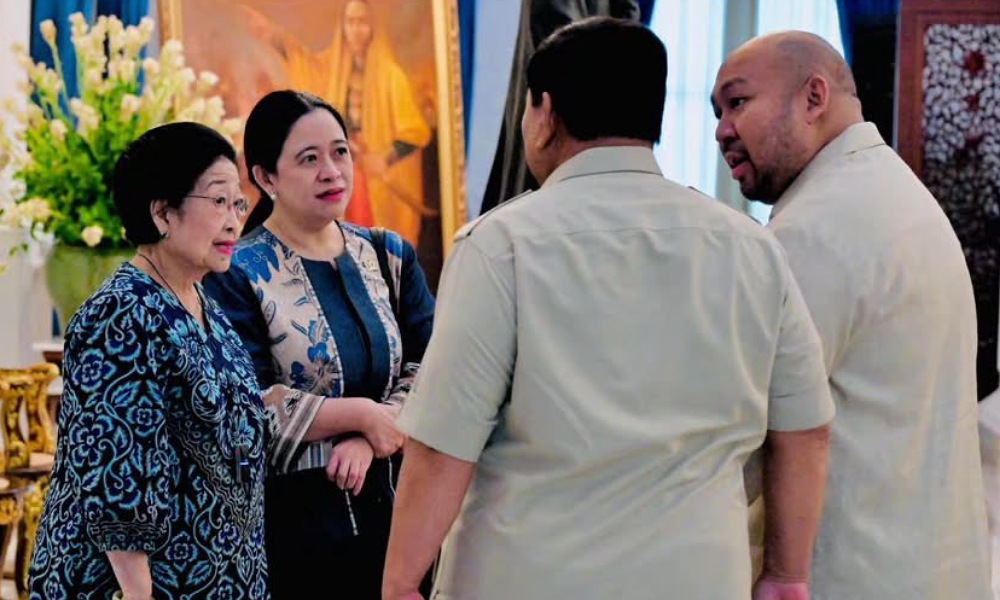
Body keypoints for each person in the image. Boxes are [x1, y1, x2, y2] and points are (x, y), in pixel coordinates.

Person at [383, 17, 835, 600]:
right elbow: (805, 428)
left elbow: (442, 443)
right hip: (698, 578)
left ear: (544, 113)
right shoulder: (751, 247)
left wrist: (400, 582)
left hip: (532, 578)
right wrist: (786, 573)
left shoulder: (503, 245)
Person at [712, 31, 993, 599]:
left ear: (814, 97)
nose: (722, 131)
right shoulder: (895, 192)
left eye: (737, 102)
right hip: (935, 567)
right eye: (717, 113)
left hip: (853, 573)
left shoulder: (816, 228)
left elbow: (745, 430)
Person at [203, 90, 435, 599]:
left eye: (340, 152)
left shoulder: (388, 255)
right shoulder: (235, 273)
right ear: (265, 177)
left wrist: (378, 431)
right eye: (309, 159)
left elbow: (436, 363)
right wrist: (358, 414)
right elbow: (242, 406)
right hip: (297, 537)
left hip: (405, 519)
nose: (331, 171)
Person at [28, 122, 269, 599]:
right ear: (162, 212)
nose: (233, 221)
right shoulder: (121, 314)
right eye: (218, 201)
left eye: (238, 204)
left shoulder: (205, 305)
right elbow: (118, 482)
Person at [241, 0, 432, 242]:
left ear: (373, 27)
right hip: (343, 170)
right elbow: (307, 70)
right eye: (350, 22)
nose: (356, 30)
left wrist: (385, 158)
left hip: (373, 184)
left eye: (362, 22)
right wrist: (275, 38)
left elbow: (416, 132)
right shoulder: (334, 72)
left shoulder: (391, 76)